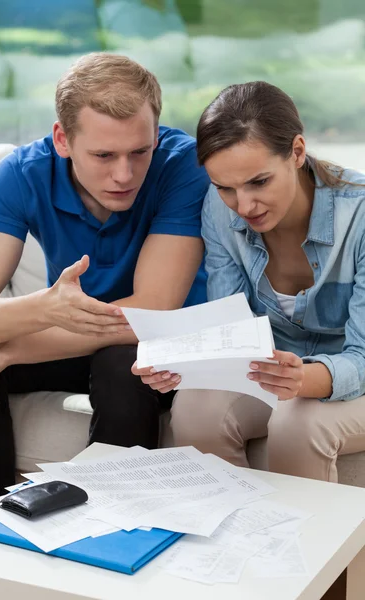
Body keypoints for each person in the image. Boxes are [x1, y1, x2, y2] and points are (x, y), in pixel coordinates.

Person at [0, 53, 209, 518]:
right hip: (68, 339)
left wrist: (5, 349)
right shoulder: (21, 174)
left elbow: (151, 310)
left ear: (155, 134)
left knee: (125, 362)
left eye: (140, 151)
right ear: (63, 139)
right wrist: (41, 309)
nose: (124, 174)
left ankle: (109, 533)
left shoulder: (182, 167)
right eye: (103, 155)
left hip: (155, 344)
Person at [133, 81, 365, 484]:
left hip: (352, 371)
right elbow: (233, 334)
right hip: (277, 369)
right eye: (225, 187)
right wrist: (183, 368)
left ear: (296, 152)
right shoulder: (219, 211)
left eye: (259, 182)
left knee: (299, 422)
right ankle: (237, 539)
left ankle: (309, 546)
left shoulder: (359, 216)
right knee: (194, 411)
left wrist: (305, 378)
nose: (243, 207)